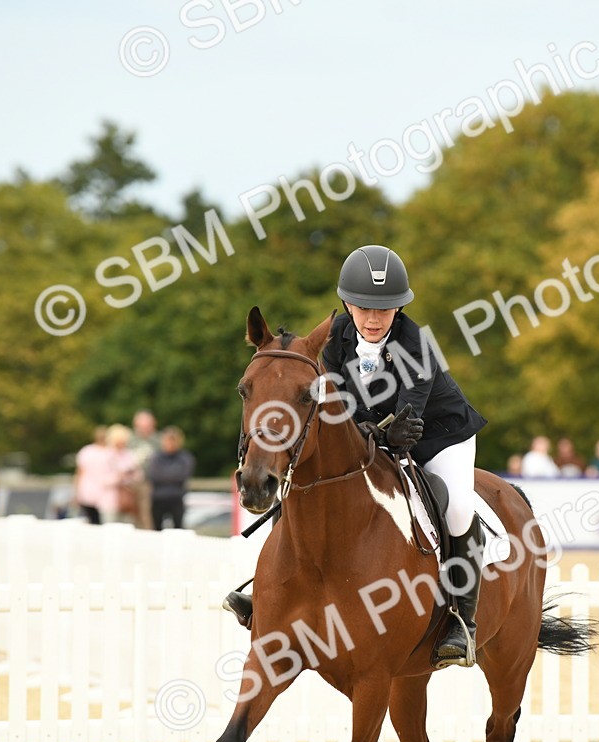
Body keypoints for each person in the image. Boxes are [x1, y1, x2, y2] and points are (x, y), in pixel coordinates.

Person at [224, 245, 488, 670]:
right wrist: (361, 432)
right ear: (347, 303)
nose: (372, 318)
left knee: (456, 508)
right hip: (376, 432)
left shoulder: (416, 343)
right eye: (364, 307)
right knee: (299, 478)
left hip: (438, 433)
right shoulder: (334, 340)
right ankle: (266, 591)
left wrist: (378, 430)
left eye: (384, 310)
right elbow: (338, 405)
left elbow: (408, 414)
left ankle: (462, 619)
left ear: (398, 309)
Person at [147, 426, 195, 530]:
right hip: (158, 499)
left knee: (178, 529)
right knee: (156, 530)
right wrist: (172, 475)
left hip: (176, 498)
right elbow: (154, 475)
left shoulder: (184, 457)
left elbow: (183, 475)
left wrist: (165, 476)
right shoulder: (156, 457)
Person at [103, 424, 141, 525]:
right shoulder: (106, 455)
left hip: (127, 500)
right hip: (110, 502)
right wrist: (119, 477)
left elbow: (138, 476)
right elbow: (102, 480)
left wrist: (131, 474)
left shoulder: (129, 454)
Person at [128, 410, 160, 529]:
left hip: (149, 483)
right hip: (130, 483)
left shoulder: (158, 440)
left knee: (146, 514)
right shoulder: (130, 440)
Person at [74, 426, 110, 524]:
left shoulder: (86, 451)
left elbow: (79, 473)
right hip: (98, 492)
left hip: (92, 491)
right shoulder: (108, 452)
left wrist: (76, 492)